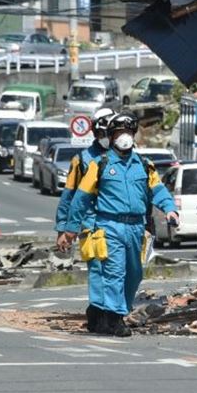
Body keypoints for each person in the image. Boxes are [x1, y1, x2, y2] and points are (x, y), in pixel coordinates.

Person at [61, 112, 178, 336]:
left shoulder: (144, 165)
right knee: (114, 272)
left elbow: (158, 190)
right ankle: (115, 318)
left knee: (134, 274)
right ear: (112, 137)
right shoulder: (99, 164)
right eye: (119, 132)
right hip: (109, 226)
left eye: (128, 132)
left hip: (136, 228)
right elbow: (80, 198)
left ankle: (108, 312)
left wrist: (170, 209)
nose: (124, 136)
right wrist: (70, 228)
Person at [55, 108, 114, 330]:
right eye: (102, 133)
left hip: (120, 224)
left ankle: (114, 311)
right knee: (98, 268)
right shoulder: (82, 160)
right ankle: (98, 313)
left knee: (122, 270)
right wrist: (63, 228)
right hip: (91, 224)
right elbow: (69, 195)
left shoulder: (128, 158)